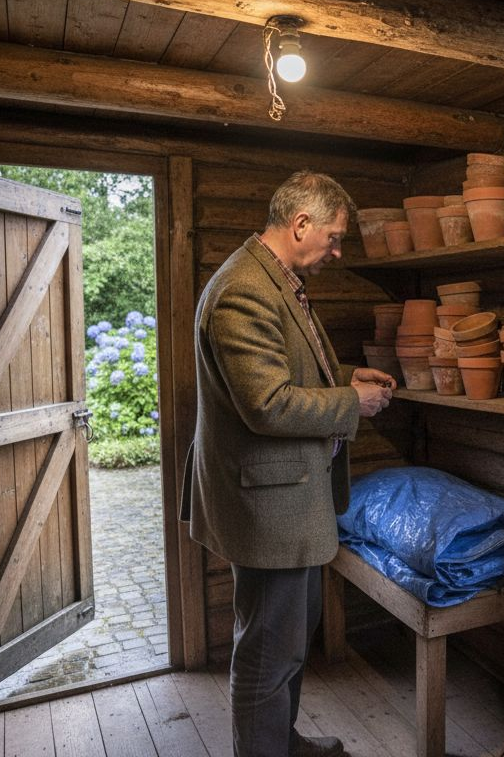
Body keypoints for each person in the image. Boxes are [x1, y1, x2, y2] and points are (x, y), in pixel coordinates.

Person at [181, 170, 396, 757]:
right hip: (267, 503)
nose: (337, 249)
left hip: (286, 498)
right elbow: (268, 404)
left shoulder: (276, 277)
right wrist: (354, 401)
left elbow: (285, 373)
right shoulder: (244, 290)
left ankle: (281, 741)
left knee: (288, 642)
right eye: (332, 236)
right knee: (267, 650)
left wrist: (343, 377)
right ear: (300, 224)